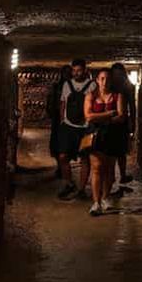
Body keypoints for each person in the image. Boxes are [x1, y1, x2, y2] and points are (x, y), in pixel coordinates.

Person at [84, 68, 126, 215]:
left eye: (107, 79)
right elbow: (88, 116)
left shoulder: (118, 96)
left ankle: (105, 198)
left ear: (111, 80)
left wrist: (98, 117)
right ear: (97, 80)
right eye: (102, 78)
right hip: (96, 136)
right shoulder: (90, 96)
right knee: (96, 168)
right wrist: (109, 114)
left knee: (109, 169)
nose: (104, 82)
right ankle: (96, 203)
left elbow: (121, 117)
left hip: (112, 136)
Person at [56, 59, 96, 200]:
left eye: (79, 70)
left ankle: (81, 189)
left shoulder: (92, 86)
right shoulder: (67, 85)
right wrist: (62, 120)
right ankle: (68, 183)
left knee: (84, 158)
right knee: (62, 156)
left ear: (85, 70)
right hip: (68, 126)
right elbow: (63, 102)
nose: (76, 73)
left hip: (85, 128)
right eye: (74, 70)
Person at [110, 63, 136, 185]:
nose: (117, 76)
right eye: (115, 74)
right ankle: (113, 176)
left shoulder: (127, 87)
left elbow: (132, 106)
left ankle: (122, 175)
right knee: (111, 151)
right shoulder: (110, 85)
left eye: (118, 74)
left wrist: (132, 124)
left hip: (121, 122)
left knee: (121, 151)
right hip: (110, 121)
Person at [46, 65, 72, 178]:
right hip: (58, 119)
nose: (67, 75)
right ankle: (60, 166)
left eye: (68, 73)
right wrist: (51, 112)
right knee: (57, 144)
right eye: (65, 73)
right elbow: (50, 100)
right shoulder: (56, 87)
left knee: (68, 145)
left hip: (71, 119)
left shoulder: (74, 87)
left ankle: (64, 166)